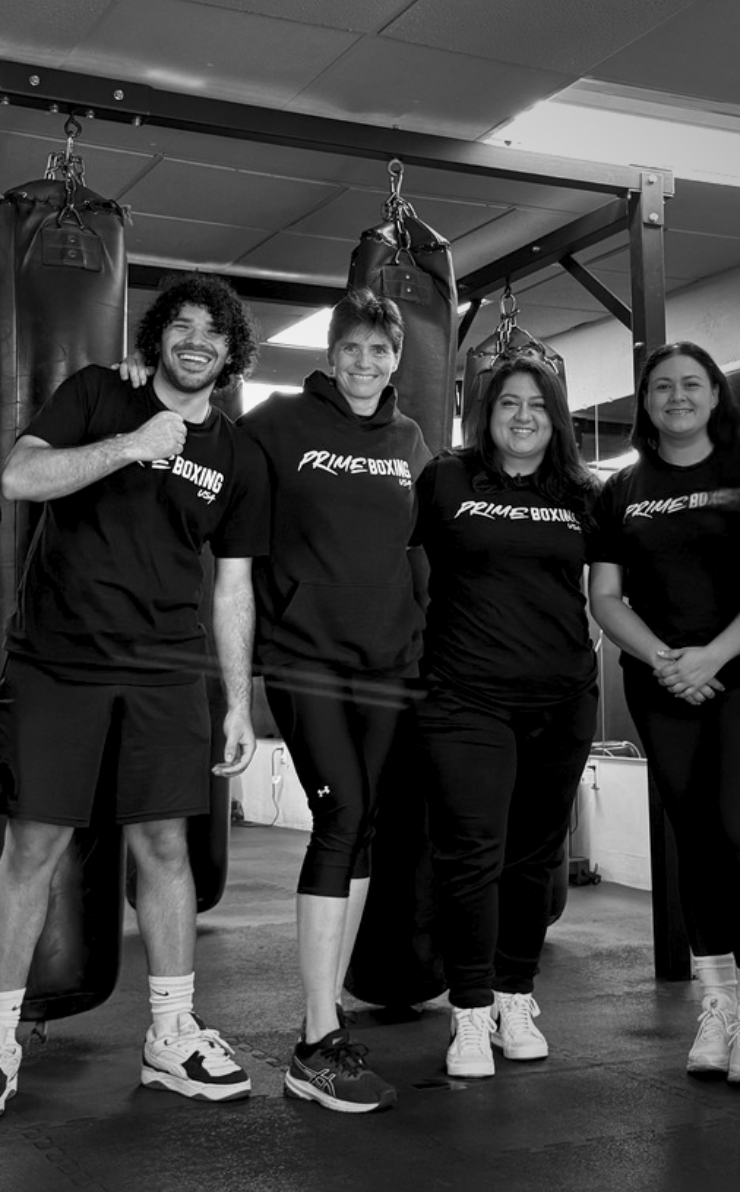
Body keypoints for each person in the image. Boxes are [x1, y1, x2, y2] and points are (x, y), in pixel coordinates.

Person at [0, 275, 262, 1117]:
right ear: (159, 338)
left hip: (165, 670)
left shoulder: (237, 455)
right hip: (57, 662)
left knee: (165, 848)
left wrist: (234, 703)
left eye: (213, 334)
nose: (197, 341)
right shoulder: (95, 393)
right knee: (33, 849)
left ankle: (170, 1035)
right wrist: (127, 445)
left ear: (229, 355)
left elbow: (232, 589)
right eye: (182, 327)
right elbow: (19, 479)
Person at [235, 288, 429, 1113]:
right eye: (352, 347)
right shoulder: (276, 423)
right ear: (330, 351)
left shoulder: (411, 438)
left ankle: (329, 1015)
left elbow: (421, 548)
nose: (365, 363)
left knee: (367, 823)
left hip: (389, 660)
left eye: (380, 350)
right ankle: (316, 1041)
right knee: (342, 813)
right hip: (306, 656)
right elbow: (225, 500)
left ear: (397, 358)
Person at [412, 356, 599, 1079]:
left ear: (556, 419)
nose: (523, 416)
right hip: (465, 698)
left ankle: (515, 997)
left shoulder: (583, 493)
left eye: (538, 405)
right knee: (472, 854)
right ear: (485, 413)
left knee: (533, 856)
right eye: (508, 403)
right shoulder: (447, 479)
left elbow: (613, 585)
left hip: (562, 699)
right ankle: (468, 1012)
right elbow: (391, 560)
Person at [589, 341, 740, 1084]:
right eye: (662, 386)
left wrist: (712, 655)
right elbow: (605, 598)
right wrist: (667, 660)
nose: (678, 396)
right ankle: (715, 1008)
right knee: (694, 839)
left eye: (692, 384)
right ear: (646, 402)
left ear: (716, 397)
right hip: (662, 687)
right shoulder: (621, 489)